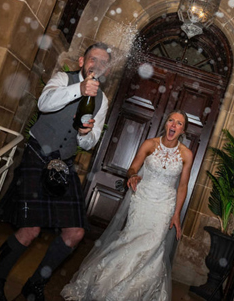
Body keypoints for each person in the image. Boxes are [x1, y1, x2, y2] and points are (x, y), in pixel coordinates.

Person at [0, 43, 112, 301]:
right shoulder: (64, 78)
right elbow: (44, 103)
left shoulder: (103, 101)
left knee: (75, 233)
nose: (97, 64)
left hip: (63, 164)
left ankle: (35, 284)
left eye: (103, 62)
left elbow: (90, 141)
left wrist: (84, 134)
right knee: (31, 229)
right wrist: (79, 89)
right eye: (93, 58)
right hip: (38, 155)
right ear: (83, 60)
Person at [61, 110, 194, 301]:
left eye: (179, 123)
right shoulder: (150, 144)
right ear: (165, 124)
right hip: (142, 200)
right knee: (130, 241)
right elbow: (133, 167)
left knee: (153, 246)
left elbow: (182, 186)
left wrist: (176, 215)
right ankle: (106, 285)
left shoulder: (186, 155)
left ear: (183, 130)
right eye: (171, 121)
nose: (173, 125)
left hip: (165, 206)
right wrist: (132, 175)